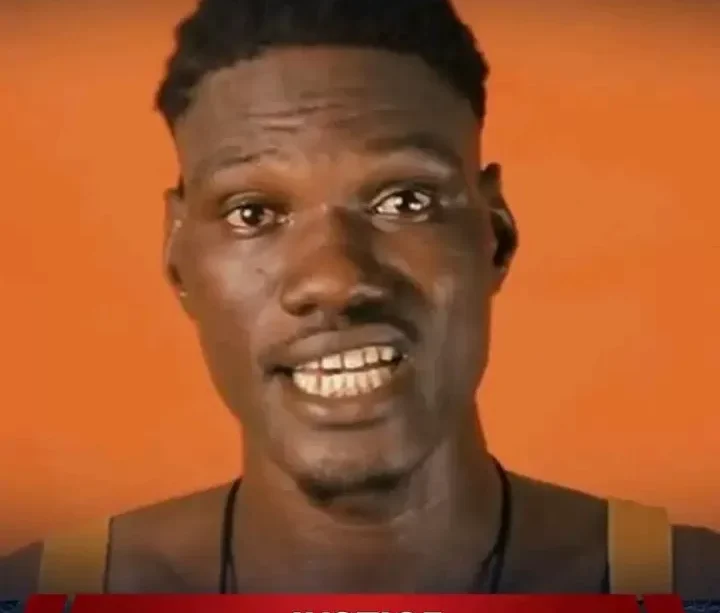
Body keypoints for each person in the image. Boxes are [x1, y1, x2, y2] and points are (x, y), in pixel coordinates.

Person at [1, 0, 719, 597]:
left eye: (405, 201)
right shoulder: (39, 593)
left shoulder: (692, 583)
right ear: (178, 260)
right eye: (253, 212)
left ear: (495, 238)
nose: (336, 280)